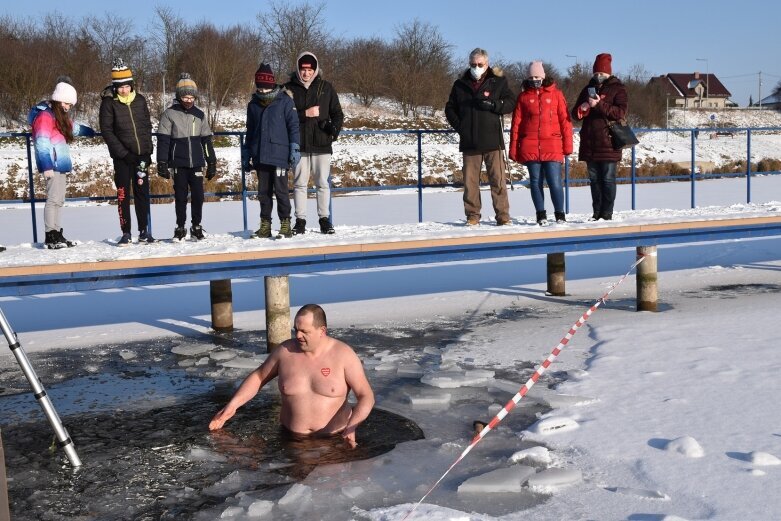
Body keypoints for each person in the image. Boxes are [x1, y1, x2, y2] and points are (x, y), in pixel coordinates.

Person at [209, 304, 375, 447]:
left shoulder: (343, 355)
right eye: (296, 330)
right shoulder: (285, 352)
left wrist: (352, 427)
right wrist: (232, 405)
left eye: (304, 331)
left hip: (335, 438)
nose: (298, 336)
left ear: (322, 331)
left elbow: (366, 396)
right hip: (290, 439)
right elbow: (259, 377)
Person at [445, 48, 515, 227]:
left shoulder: (498, 82)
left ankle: (503, 216)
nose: (476, 67)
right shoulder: (460, 84)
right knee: (470, 182)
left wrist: (494, 105)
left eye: (480, 64)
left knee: (498, 181)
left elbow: (510, 103)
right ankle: (472, 215)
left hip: (493, 140)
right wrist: (461, 127)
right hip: (470, 141)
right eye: (473, 64)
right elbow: (450, 108)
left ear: (487, 64)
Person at [29, 78, 95, 249]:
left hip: (61, 163)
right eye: (66, 103)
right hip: (51, 164)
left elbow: (73, 128)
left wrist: (89, 131)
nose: (67, 107)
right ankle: (50, 234)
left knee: (59, 200)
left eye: (70, 105)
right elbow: (41, 142)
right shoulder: (45, 116)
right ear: (58, 99)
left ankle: (57, 233)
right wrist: (46, 166)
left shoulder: (58, 116)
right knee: (53, 199)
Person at [284, 51, 344, 235]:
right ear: (298, 69)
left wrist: (332, 132)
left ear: (315, 69)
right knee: (299, 184)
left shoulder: (326, 87)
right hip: (299, 145)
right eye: (303, 69)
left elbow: (338, 114)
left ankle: (324, 220)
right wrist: (305, 114)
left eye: (310, 69)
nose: (306, 73)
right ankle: (300, 221)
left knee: (322, 184)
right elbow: (284, 116)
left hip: (321, 145)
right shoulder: (288, 89)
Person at [509, 61, 573, 226]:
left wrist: (568, 146)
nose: (534, 79)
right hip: (530, 145)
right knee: (535, 182)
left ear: (543, 76)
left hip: (552, 145)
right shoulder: (523, 97)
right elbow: (516, 125)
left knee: (555, 181)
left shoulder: (556, 95)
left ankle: (560, 214)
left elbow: (565, 122)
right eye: (531, 77)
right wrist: (513, 148)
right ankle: (541, 215)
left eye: (537, 76)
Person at [99, 58, 155, 245]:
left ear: (131, 85)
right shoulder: (109, 103)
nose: (124, 90)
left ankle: (143, 230)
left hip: (141, 157)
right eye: (120, 87)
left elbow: (146, 126)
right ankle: (126, 232)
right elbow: (107, 131)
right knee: (123, 194)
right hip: (122, 158)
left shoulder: (140, 100)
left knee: (142, 194)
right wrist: (124, 153)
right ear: (115, 87)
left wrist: (148, 151)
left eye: (127, 86)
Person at [241, 63, 300, 239]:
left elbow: (294, 126)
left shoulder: (285, 101)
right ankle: (265, 224)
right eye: (260, 88)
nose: (263, 92)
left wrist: (294, 146)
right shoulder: (253, 105)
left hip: (280, 155)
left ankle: (285, 224)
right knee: (263, 193)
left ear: (272, 85)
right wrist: (247, 151)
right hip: (260, 155)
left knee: (281, 191)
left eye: (266, 88)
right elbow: (250, 130)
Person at [156, 73, 217, 241]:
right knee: (180, 196)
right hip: (179, 162)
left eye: (191, 97)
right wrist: (162, 161)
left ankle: (196, 225)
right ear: (179, 96)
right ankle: (180, 227)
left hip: (196, 162)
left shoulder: (199, 115)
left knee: (198, 195)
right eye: (185, 96)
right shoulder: (169, 114)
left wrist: (211, 161)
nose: (189, 100)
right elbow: (163, 140)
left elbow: (206, 141)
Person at [570, 53, 628, 221]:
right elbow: (575, 114)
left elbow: (620, 112)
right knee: (594, 180)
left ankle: (607, 213)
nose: (598, 76)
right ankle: (596, 213)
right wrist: (584, 106)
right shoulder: (587, 89)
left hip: (609, 141)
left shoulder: (618, 89)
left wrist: (599, 104)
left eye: (601, 73)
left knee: (608, 179)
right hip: (590, 142)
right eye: (596, 73)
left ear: (608, 73)